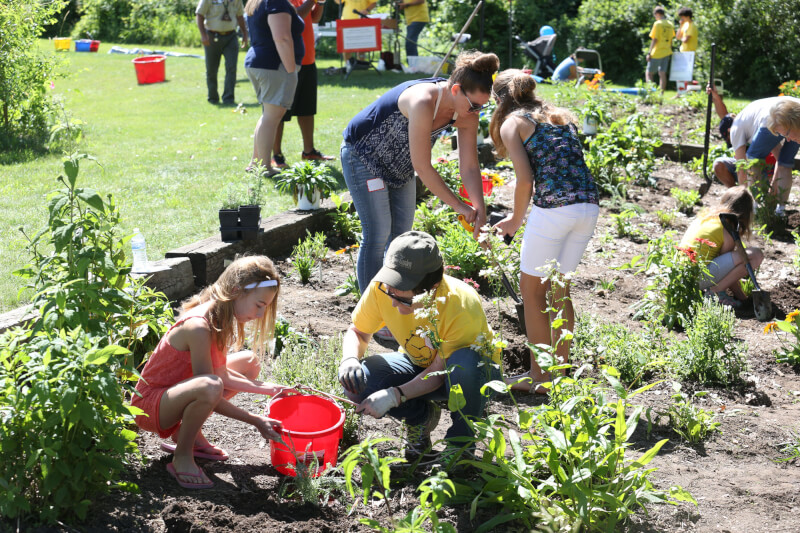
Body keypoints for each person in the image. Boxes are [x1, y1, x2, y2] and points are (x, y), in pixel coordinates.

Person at [341, 50, 498, 343]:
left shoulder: (465, 113)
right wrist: (461, 208)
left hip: (398, 167)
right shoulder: (423, 99)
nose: (477, 112)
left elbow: (470, 165)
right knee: (377, 234)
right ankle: (370, 320)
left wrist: (479, 209)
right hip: (364, 157)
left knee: (400, 239)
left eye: (482, 107)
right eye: (475, 105)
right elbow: (423, 167)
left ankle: (392, 307)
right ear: (455, 90)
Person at [338, 231, 503, 462]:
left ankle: (460, 445)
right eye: (391, 292)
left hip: (471, 374)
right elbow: (358, 331)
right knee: (359, 382)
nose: (393, 302)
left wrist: (395, 395)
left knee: (465, 364)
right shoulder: (382, 288)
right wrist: (349, 360)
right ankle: (421, 418)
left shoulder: (459, 304)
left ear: (433, 286)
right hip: (419, 363)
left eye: (404, 299)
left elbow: (439, 371)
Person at [132, 256, 293, 489]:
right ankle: (182, 458)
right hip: (150, 406)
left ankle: (187, 433)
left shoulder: (220, 316)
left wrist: (270, 389)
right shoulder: (199, 326)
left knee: (249, 362)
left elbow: (221, 374)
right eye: (259, 305)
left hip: (178, 392)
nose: (259, 315)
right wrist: (254, 420)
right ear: (237, 291)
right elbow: (212, 386)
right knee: (210, 387)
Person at [490, 69, 599, 394]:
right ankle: (560, 375)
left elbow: (525, 180)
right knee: (559, 290)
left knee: (533, 292)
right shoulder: (558, 115)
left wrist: (513, 220)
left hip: (553, 210)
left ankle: (539, 379)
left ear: (500, 100)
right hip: (588, 207)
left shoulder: (513, 123)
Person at [244, 0, 305, 176]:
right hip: (275, 65)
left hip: (261, 62)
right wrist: (290, 69)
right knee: (271, 117)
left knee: (268, 116)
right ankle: (264, 167)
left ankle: (256, 163)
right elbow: (282, 38)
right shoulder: (276, 2)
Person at [271, 0, 334, 169]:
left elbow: (314, 18)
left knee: (307, 109)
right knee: (279, 111)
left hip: (307, 60)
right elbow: (295, 16)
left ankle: (309, 151)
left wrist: (320, 3)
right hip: (287, 61)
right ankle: (276, 155)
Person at [715, 92, 800, 215]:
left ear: (728, 130)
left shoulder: (735, 130)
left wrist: (744, 202)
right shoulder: (750, 120)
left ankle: (756, 207)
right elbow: (779, 159)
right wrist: (772, 196)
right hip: (789, 109)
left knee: (753, 159)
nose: (787, 139)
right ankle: (779, 210)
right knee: (785, 163)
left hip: (775, 116)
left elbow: (742, 167)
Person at [679, 186, 763, 308]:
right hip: (695, 279)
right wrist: (743, 297)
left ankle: (715, 290)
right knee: (755, 255)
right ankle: (714, 292)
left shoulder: (708, 217)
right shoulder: (727, 226)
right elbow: (728, 268)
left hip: (683, 275)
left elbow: (723, 263)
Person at [196, 0, 249, 105]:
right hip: (212, 35)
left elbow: (240, 16)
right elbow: (200, 14)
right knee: (211, 69)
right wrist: (203, 35)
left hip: (231, 36)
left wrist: (245, 33)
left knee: (231, 68)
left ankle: (228, 98)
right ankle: (213, 98)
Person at [645, 6, 674, 93]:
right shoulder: (670, 24)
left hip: (657, 52)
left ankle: (650, 92)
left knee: (649, 73)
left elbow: (655, 39)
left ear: (657, 14)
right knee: (662, 73)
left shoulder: (657, 24)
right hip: (667, 51)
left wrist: (649, 53)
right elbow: (671, 40)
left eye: (655, 15)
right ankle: (661, 94)